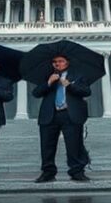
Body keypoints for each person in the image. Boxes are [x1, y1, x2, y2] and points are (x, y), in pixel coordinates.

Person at [31, 54, 91, 182]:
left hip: (70, 113)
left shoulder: (78, 75)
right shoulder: (48, 76)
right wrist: (48, 82)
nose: (57, 64)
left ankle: (77, 171)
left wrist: (69, 85)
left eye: (61, 61)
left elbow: (86, 91)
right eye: (55, 62)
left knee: (74, 144)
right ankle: (48, 172)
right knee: (47, 145)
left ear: (67, 63)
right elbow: (36, 93)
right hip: (50, 114)